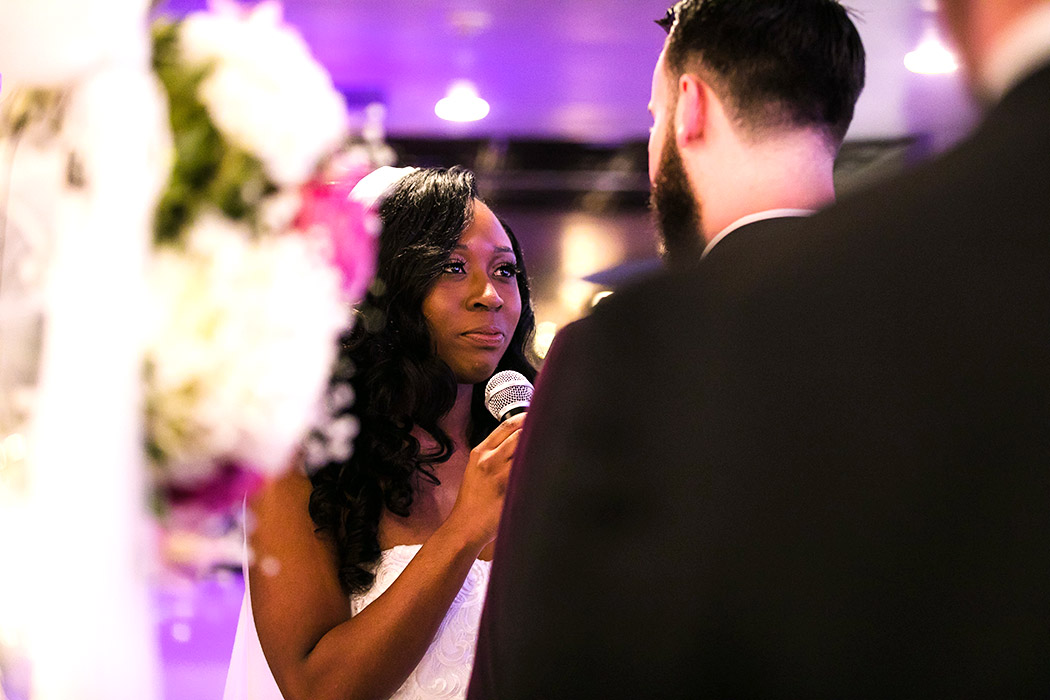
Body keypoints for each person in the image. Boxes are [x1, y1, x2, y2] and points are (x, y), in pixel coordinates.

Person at [469, 0, 1050, 697]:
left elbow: (529, 668)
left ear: (690, 108)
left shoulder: (637, 348)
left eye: (654, 119)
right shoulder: (987, 294)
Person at [224, 166, 537, 700]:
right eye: (454, 267)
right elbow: (315, 689)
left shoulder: (535, 443)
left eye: (505, 271)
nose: (490, 295)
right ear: (385, 291)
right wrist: (464, 530)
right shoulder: (304, 461)